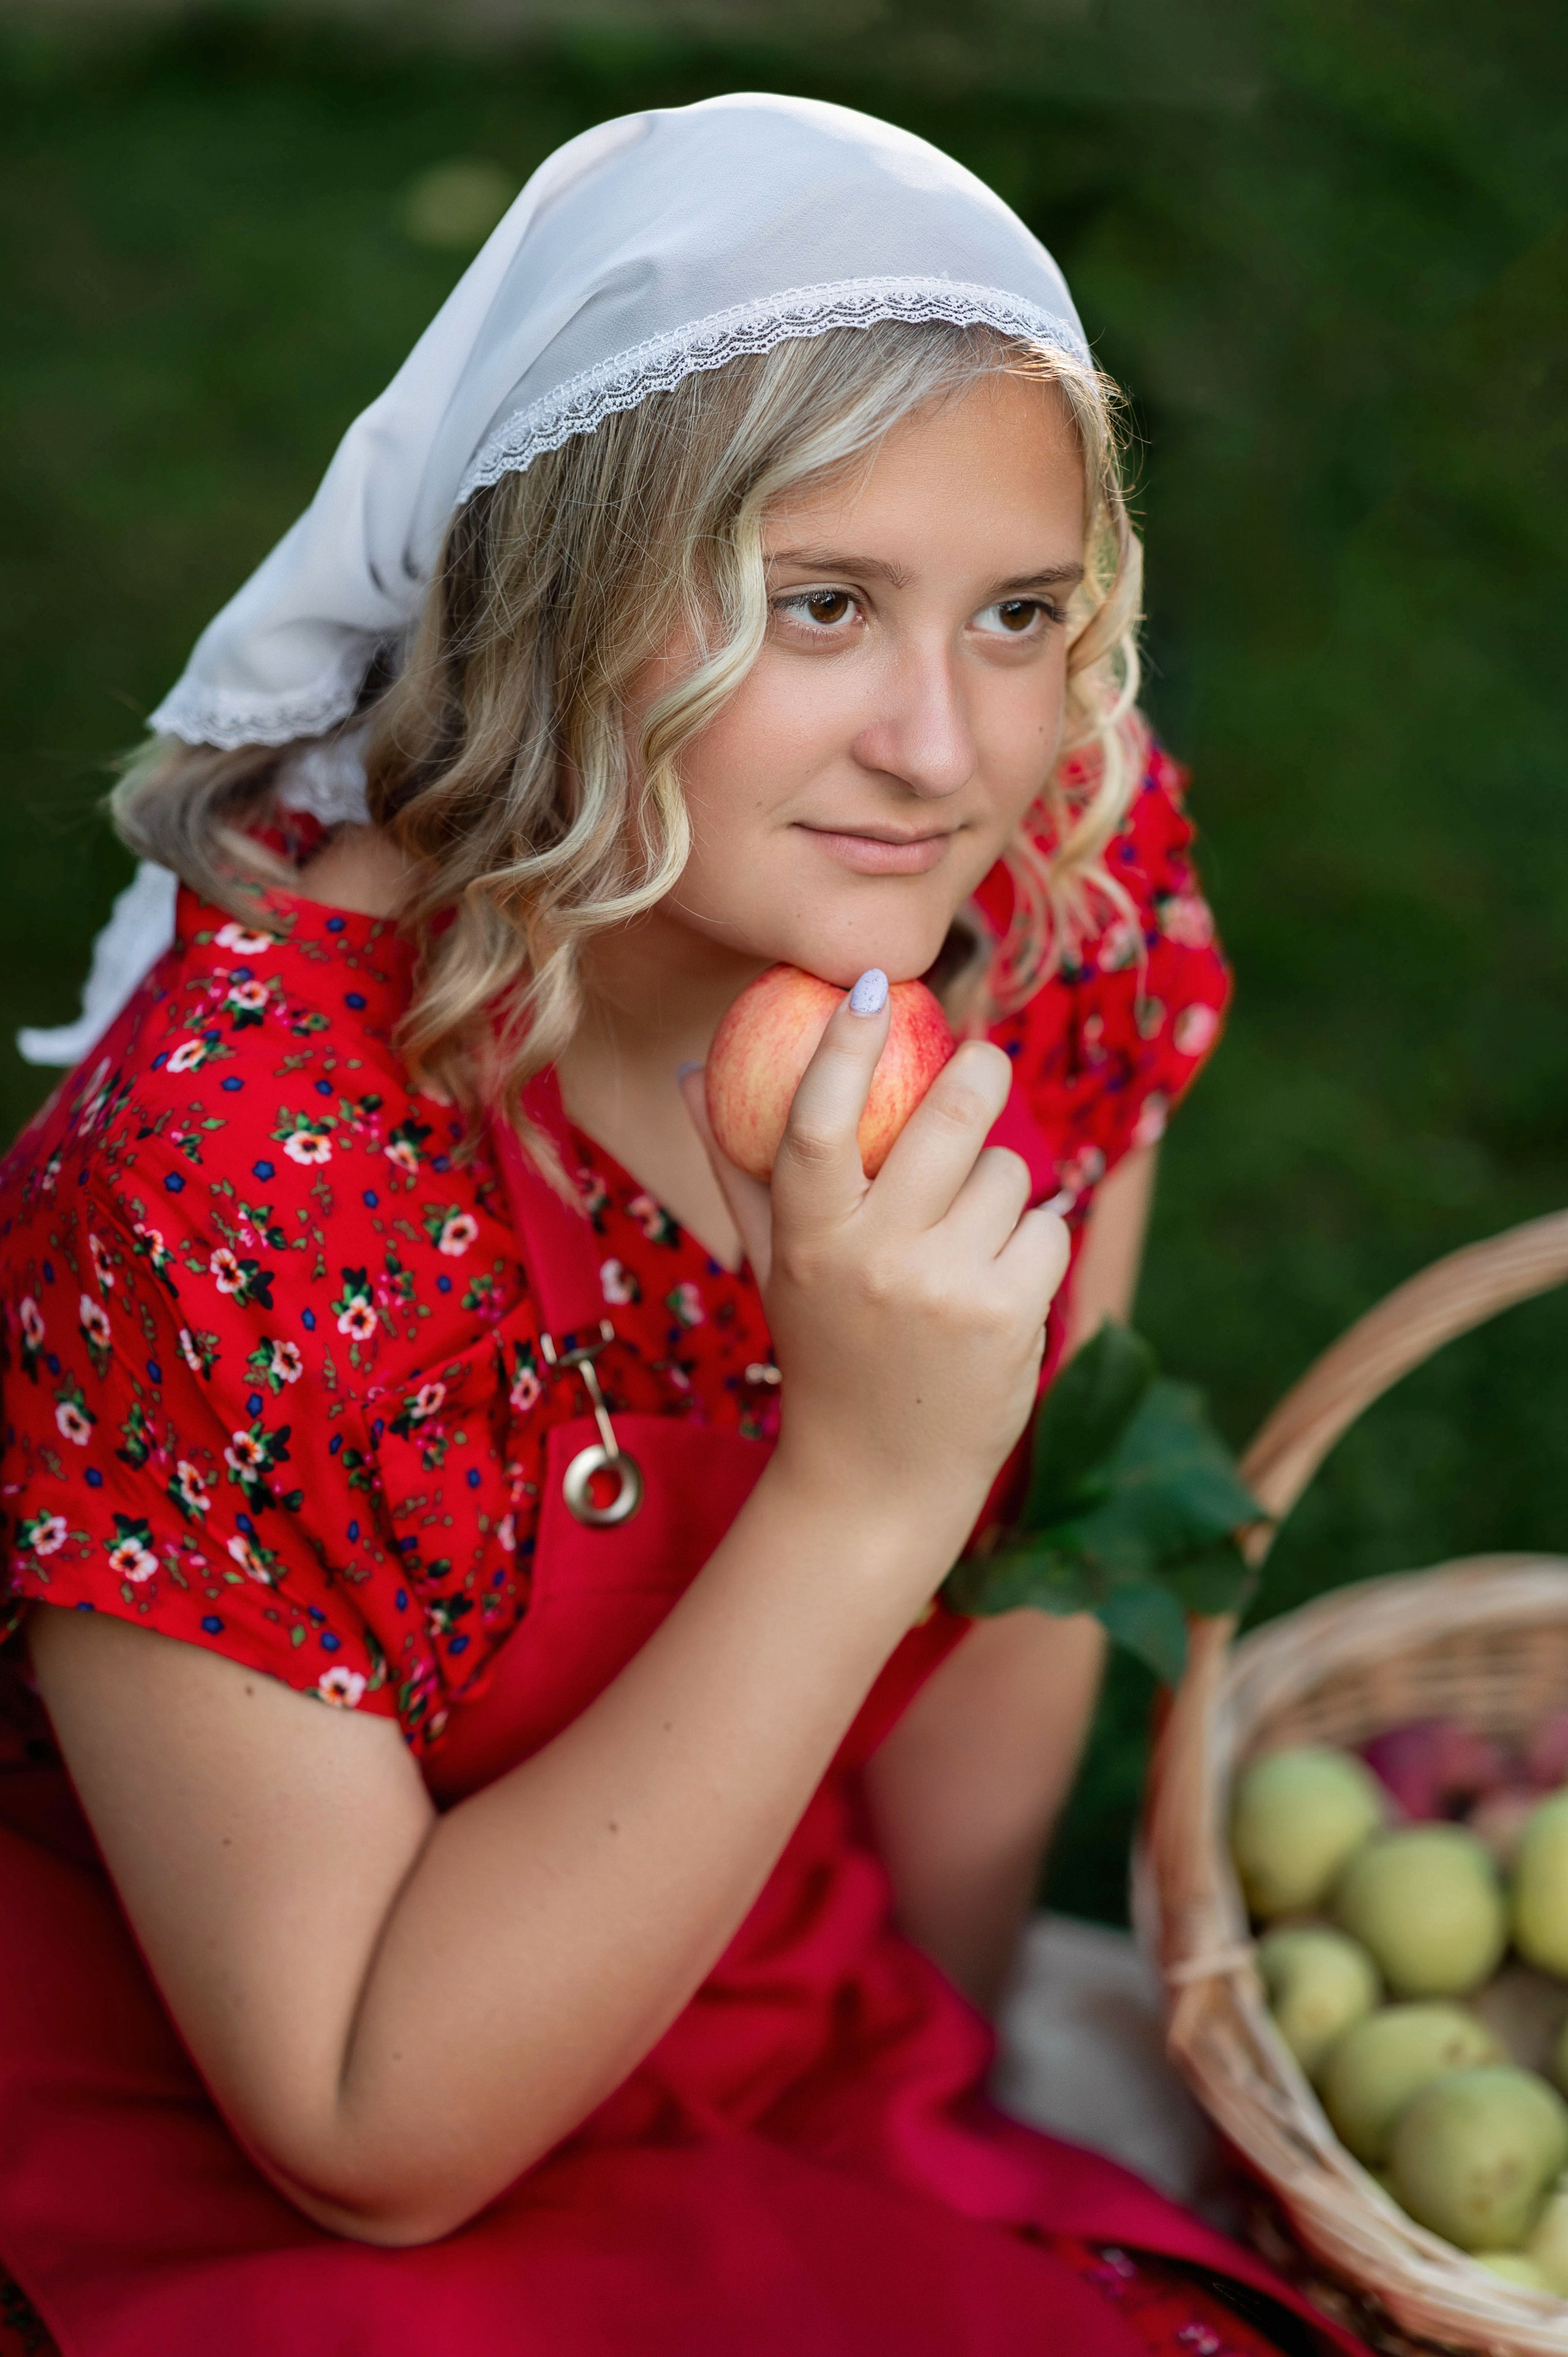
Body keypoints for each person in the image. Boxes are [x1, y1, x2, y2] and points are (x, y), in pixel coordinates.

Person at [0, 94, 1351, 2357]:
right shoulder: (239, 1180)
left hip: (755, 1940)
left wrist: (949, 2075)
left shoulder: (1042, 906)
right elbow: (359, 2125)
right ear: (553, 609)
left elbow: (1025, 1577)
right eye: (821, 606)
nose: (944, 750)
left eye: (1020, 615)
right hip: (308, 2036)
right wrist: (866, 1486)